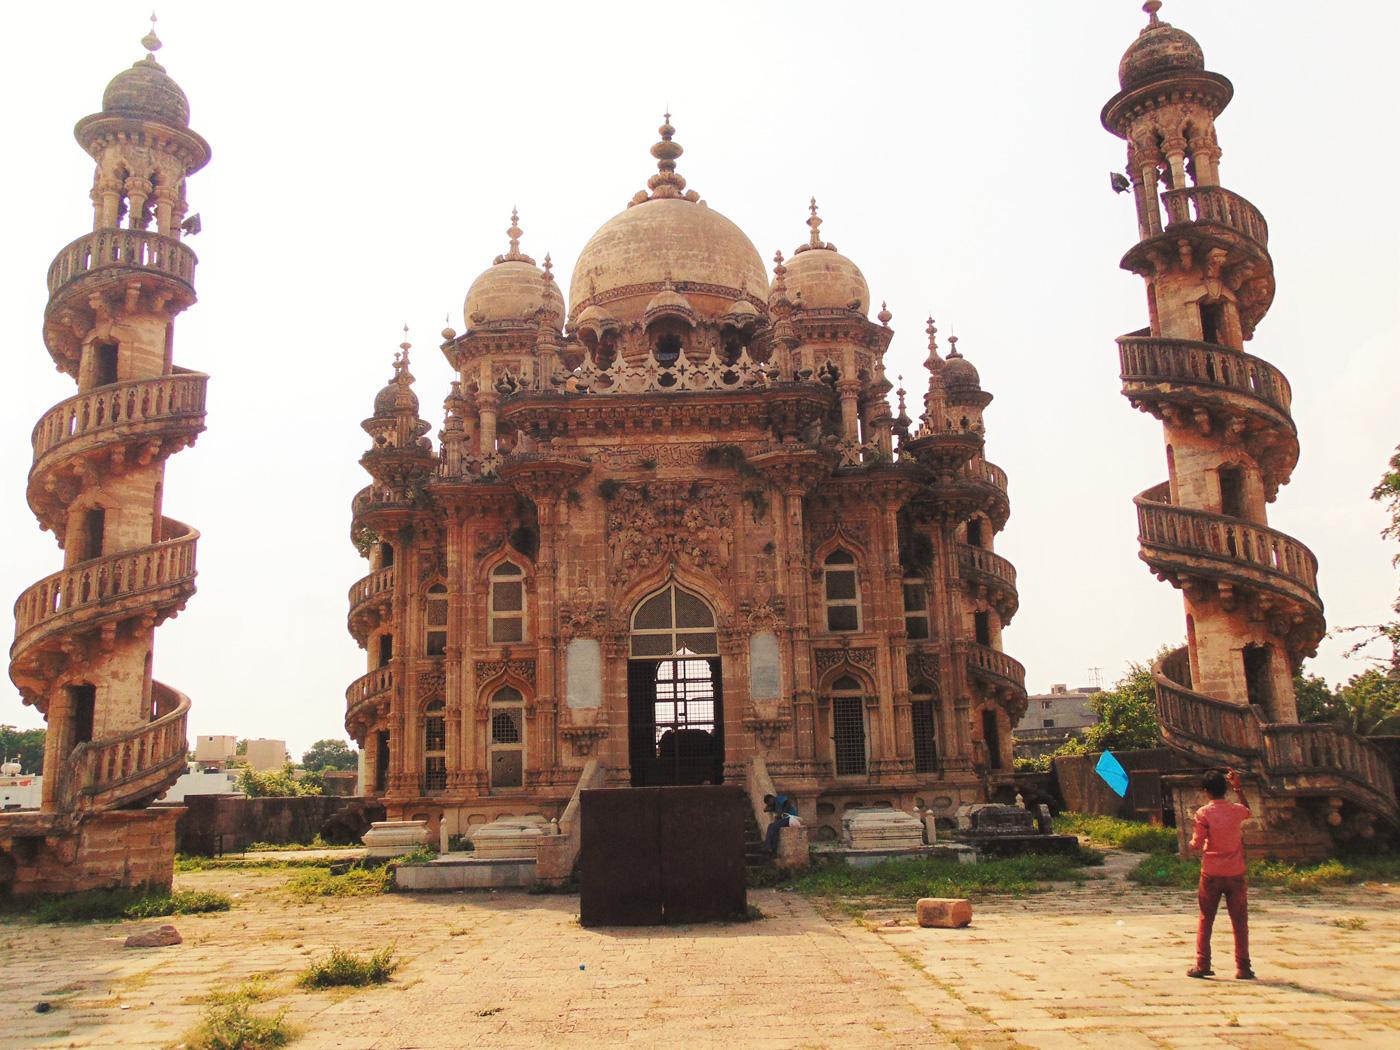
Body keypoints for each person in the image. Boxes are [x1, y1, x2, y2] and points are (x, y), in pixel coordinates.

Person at [1187, 768, 1255, 980]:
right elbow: (1247, 810)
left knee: (1206, 919)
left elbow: (1196, 844)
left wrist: (1193, 843)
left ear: (1206, 791)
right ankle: (1243, 967)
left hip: (1211, 873)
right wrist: (1238, 786)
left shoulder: (1203, 814)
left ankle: (1203, 963)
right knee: (1240, 921)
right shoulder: (1235, 810)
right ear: (1225, 790)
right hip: (1236, 872)